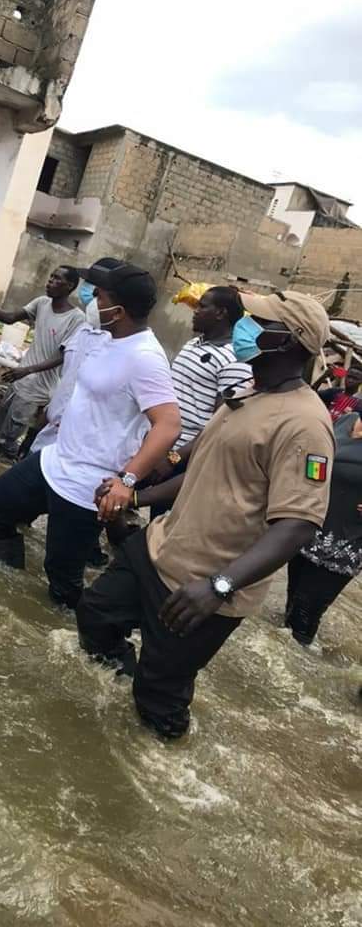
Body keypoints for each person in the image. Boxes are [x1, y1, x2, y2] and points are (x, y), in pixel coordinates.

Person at [77, 290, 335, 740]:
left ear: (290, 341)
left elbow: (297, 526)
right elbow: (203, 470)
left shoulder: (305, 425)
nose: (245, 326)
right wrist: (135, 498)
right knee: (95, 616)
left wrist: (219, 587)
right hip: (160, 548)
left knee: (158, 702)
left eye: (259, 321)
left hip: (202, 588)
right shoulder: (246, 393)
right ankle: (111, 694)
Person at [0, 262, 181, 612]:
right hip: (55, 460)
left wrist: (126, 481)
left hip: (87, 483)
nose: (93, 302)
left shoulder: (145, 357)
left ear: (118, 309)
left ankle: (70, 634)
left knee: (62, 581)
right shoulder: (106, 339)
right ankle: (1, 592)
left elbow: (168, 424)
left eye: (99, 296)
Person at [146, 285, 253, 513]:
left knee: (163, 518)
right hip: (158, 440)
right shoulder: (193, 344)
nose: (195, 311)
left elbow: (223, 423)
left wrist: (174, 458)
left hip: (184, 454)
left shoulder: (235, 360)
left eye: (202, 306)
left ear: (221, 313)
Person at [0, 267, 84, 462]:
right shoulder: (41, 303)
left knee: (8, 441)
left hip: (38, 387)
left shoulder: (76, 319)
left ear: (70, 286)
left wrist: (28, 370)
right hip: (19, 380)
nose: (49, 281)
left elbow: (65, 355)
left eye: (57, 279)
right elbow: (9, 318)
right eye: (51, 277)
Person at [284, 410, 362, 645]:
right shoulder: (348, 420)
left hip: (346, 544)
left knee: (304, 614)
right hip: (308, 528)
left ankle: (299, 671)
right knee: (291, 602)